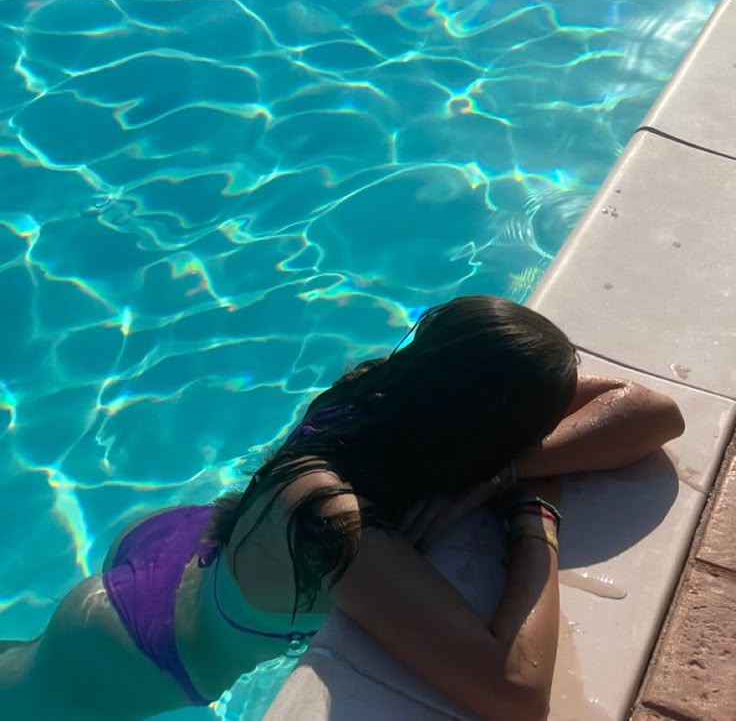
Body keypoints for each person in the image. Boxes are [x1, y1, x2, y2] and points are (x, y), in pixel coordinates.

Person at [0, 295, 685, 721]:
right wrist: (534, 513)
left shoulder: (372, 394)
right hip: (130, 651)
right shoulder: (333, 522)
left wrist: (503, 467)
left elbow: (656, 412)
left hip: (181, 548)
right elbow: (514, 694)